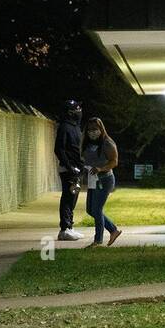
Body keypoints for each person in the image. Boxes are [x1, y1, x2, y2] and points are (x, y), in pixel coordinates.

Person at [81, 117, 121, 246]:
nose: (92, 132)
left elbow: (114, 162)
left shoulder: (107, 143)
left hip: (104, 179)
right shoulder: (88, 143)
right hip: (93, 179)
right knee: (90, 210)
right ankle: (113, 230)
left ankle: (98, 241)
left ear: (101, 129)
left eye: (95, 129)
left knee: (97, 209)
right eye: (89, 130)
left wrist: (100, 168)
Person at [54, 98, 84, 241]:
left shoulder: (76, 127)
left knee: (73, 198)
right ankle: (64, 229)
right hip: (68, 169)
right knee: (67, 198)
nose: (79, 111)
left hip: (76, 168)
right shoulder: (65, 127)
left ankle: (70, 227)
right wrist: (69, 167)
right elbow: (59, 149)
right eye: (76, 109)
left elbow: (76, 150)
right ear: (69, 112)